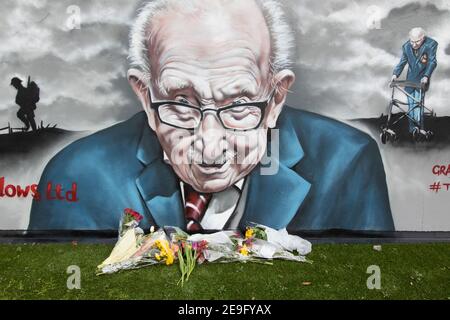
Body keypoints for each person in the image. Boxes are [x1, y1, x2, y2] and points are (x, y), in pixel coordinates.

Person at [29, 0, 394, 232]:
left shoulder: (347, 163)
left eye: (238, 105)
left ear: (276, 96)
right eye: (181, 103)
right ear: (145, 94)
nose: (209, 148)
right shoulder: (78, 176)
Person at [392, 27, 438, 135]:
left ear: (423, 38)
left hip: (422, 79)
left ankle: (419, 127)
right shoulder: (406, 46)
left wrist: (426, 76)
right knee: (411, 104)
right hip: (410, 79)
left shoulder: (431, 44)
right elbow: (402, 62)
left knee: (418, 104)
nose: (413, 44)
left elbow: (432, 62)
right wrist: (395, 74)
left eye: (417, 41)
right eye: (412, 41)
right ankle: (413, 129)